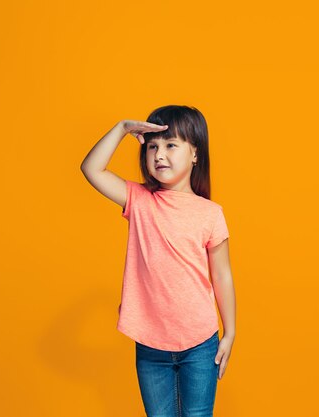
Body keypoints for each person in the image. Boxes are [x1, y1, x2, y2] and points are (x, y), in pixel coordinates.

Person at [80, 105, 236, 417]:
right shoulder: (139, 201)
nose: (159, 155)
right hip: (151, 344)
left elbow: (222, 276)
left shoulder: (210, 213)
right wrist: (122, 127)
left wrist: (230, 332)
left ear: (195, 153)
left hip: (199, 342)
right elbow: (91, 169)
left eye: (170, 145)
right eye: (152, 146)